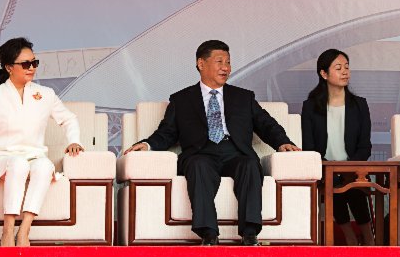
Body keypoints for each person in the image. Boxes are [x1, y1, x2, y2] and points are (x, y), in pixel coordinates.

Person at [123, 40, 300, 245]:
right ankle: (209, 235)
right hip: (200, 153)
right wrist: (147, 145)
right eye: (219, 61)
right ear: (201, 63)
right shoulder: (182, 99)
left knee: (250, 165)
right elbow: (167, 132)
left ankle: (250, 234)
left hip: (235, 152)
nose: (226, 68)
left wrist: (282, 142)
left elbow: (266, 124)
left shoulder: (243, 97)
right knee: (198, 165)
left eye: (228, 62)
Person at [0, 37, 83, 247]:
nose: (32, 68)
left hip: (35, 156)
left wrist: (74, 141)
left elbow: (69, 119)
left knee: (45, 166)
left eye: (34, 63)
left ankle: (24, 231)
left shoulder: (45, 94)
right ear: (9, 67)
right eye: (26, 64)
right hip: (3, 157)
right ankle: (7, 231)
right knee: (18, 164)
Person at [301, 49, 374, 245]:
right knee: (334, 181)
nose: (345, 72)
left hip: (354, 167)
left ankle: (368, 238)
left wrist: (350, 167)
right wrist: (330, 168)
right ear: (324, 74)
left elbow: (365, 146)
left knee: (352, 183)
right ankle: (352, 237)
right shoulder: (310, 106)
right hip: (325, 168)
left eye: (347, 67)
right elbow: (309, 147)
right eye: (338, 68)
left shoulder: (359, 105)